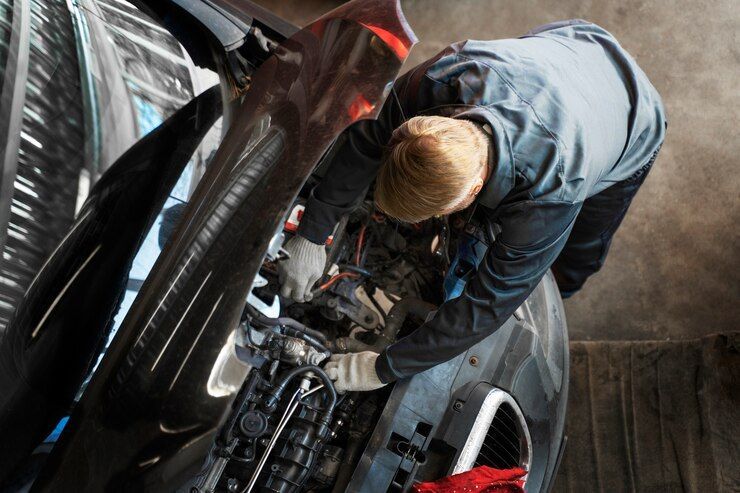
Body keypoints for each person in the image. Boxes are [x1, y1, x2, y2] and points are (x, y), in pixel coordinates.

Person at [278, 20, 666, 393]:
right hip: (573, 41)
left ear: (472, 191)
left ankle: (557, 297)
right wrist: (313, 233)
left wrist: (384, 367)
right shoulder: (441, 78)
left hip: (633, 115)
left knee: (578, 251)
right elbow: (367, 139)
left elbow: (485, 307)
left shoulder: (552, 190)